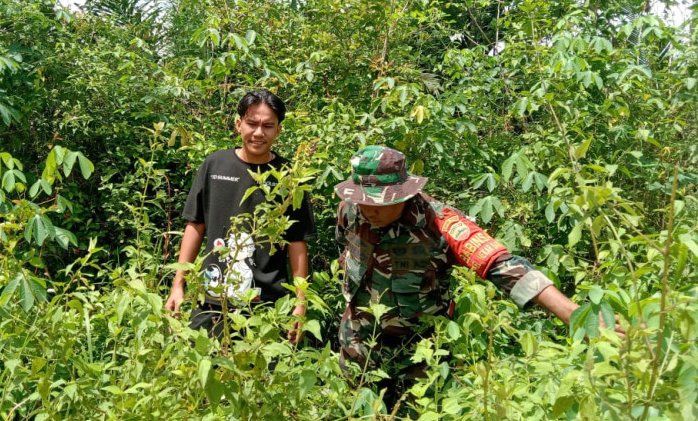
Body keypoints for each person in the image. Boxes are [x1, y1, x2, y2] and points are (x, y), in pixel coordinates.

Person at [333, 145, 613, 375]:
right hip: (359, 346)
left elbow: (503, 264)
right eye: (362, 198)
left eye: (380, 201)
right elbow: (344, 250)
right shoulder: (349, 210)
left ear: (405, 192)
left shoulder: (441, 223)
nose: (369, 208)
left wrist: (575, 316)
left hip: (419, 356)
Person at [165, 90, 315, 344]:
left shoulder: (289, 175)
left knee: (265, 379)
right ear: (238, 125)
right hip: (212, 299)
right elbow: (195, 225)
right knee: (201, 370)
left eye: (268, 126)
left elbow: (297, 242)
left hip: (268, 305)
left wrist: (300, 303)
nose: (259, 133)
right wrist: (178, 284)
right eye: (252, 124)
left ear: (278, 130)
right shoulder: (215, 165)